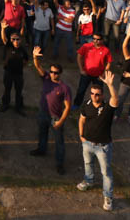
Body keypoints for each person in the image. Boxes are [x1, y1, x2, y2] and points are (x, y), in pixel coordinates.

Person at [76, 70, 119, 212]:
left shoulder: (107, 107)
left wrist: (110, 85)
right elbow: (82, 119)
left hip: (103, 146)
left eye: (97, 94)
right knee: (87, 164)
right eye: (92, 94)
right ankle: (88, 181)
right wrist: (81, 135)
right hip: (87, 143)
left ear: (102, 95)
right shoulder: (86, 104)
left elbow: (115, 99)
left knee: (106, 173)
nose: (94, 96)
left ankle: (108, 196)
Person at [30, 46, 72, 174]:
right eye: (52, 72)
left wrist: (60, 122)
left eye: (56, 72)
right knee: (42, 133)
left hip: (56, 117)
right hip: (43, 113)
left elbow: (68, 107)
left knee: (59, 142)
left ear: (60, 73)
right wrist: (35, 56)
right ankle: (41, 150)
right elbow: (37, 67)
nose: (53, 74)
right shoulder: (46, 78)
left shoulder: (65, 88)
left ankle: (60, 164)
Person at [72, 34, 112, 110]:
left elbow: (109, 63)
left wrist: (103, 74)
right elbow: (79, 56)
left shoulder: (106, 50)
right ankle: (76, 105)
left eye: (98, 39)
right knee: (81, 90)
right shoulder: (86, 46)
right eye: (94, 39)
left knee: (98, 93)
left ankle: (98, 106)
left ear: (102, 40)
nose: (95, 41)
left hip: (98, 76)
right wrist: (81, 69)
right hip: (86, 74)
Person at [0, 22, 29, 115]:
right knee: (7, 89)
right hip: (8, 73)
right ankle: (5, 104)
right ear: (11, 40)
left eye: (17, 39)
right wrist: (3, 29)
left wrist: (21, 67)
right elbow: (4, 39)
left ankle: (18, 107)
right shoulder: (8, 46)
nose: (16, 41)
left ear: (20, 40)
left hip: (19, 74)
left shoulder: (23, 49)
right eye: (13, 39)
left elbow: (26, 60)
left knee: (19, 91)